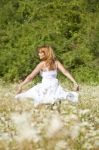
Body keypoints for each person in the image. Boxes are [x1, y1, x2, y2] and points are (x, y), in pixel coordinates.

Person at [15, 45, 79, 106]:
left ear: (46, 53)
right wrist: (74, 82)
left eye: (40, 53)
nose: (39, 54)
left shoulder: (42, 64)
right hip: (55, 86)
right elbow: (65, 72)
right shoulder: (56, 62)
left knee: (40, 103)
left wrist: (21, 85)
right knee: (54, 101)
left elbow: (30, 77)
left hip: (45, 86)